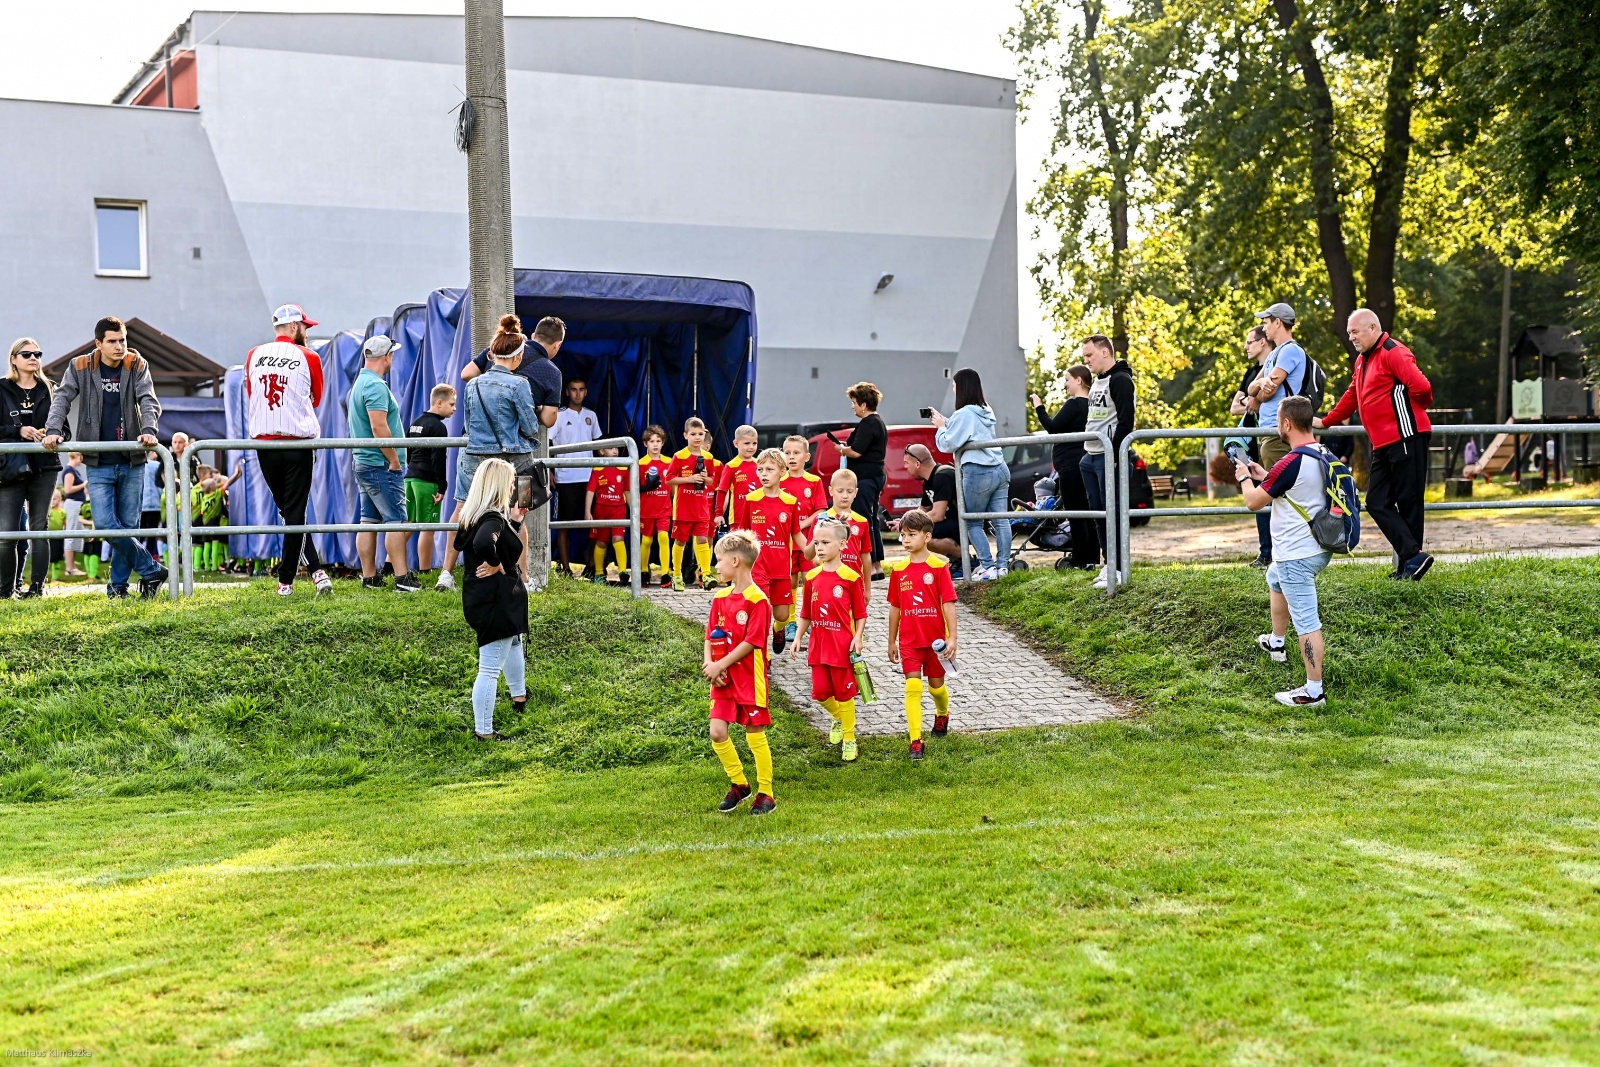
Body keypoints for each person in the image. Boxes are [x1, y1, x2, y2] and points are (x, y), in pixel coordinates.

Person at [41, 316, 169, 599]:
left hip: (133, 459)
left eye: (122, 339)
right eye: (112, 341)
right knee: (105, 524)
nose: (119, 346)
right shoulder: (81, 366)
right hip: (98, 461)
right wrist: (52, 430)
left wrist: (149, 430)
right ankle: (152, 569)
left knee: (128, 528)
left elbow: (148, 400)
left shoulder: (136, 364)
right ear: (98, 343)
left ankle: (118, 588)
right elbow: (62, 398)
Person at [1316, 308, 1435, 580]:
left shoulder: (1393, 352)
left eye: (1355, 332)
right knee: (1377, 502)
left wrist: (1418, 408)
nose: (1351, 338)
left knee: (1409, 504)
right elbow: (1352, 394)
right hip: (1382, 443)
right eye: (1349, 333)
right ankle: (1413, 557)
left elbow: (1423, 387)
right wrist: (1327, 422)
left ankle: (1409, 566)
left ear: (1372, 328)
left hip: (1407, 437)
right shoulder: (1362, 360)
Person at [441, 314, 554, 591]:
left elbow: (468, 423)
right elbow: (530, 425)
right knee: (519, 512)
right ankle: (523, 577)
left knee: (464, 511)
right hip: (514, 460)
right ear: (517, 357)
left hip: (474, 457)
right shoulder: (520, 385)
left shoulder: (473, 384)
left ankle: (447, 573)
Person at [1234, 396, 1332, 708]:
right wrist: (1265, 477)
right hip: (1319, 546)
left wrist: (1245, 479)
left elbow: (1253, 502)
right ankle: (1276, 642)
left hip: (1296, 554)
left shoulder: (1291, 462)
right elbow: (1295, 489)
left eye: (1277, 420)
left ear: (1286, 424)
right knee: (1274, 576)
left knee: (1307, 622)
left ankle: (1313, 691)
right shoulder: (1322, 454)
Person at [245, 304, 335, 597]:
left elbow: (253, 394)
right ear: (295, 327)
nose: (307, 333)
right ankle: (287, 582)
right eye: (305, 327)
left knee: (289, 512)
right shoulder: (309, 356)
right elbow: (317, 398)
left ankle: (318, 572)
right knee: (295, 513)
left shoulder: (254, 354)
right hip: (298, 442)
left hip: (264, 443)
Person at [452, 457, 529, 742]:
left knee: (512, 645)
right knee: (490, 667)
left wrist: (515, 522)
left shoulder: (478, 515)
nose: (513, 488)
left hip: (487, 598)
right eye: (510, 483)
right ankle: (483, 731)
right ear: (499, 486)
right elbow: (485, 542)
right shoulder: (492, 519)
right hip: (495, 600)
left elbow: (488, 538)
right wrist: (498, 564)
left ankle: (519, 696)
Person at [702, 529, 776, 816]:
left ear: (735, 561)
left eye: (718, 560)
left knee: (754, 734)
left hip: (749, 679)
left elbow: (752, 642)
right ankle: (739, 784)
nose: (715, 566)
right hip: (722, 679)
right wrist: (711, 664)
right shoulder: (720, 597)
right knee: (717, 732)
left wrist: (722, 664)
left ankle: (766, 792)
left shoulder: (758, 600)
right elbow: (710, 635)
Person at [791, 515, 868, 763]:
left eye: (825, 543)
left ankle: (849, 738)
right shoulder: (812, 577)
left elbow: (860, 613)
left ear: (842, 545)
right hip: (818, 644)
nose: (820, 548)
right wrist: (798, 637)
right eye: (817, 543)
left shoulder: (850, 577)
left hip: (841, 645)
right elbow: (805, 613)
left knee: (845, 694)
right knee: (822, 693)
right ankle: (837, 718)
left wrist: (858, 636)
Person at [885, 509, 959, 759]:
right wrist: (891, 640)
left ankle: (942, 714)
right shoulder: (898, 570)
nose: (906, 540)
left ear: (927, 537)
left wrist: (952, 638)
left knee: (936, 688)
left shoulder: (939, 567)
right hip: (909, 642)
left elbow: (948, 603)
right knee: (913, 687)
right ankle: (915, 740)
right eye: (903, 535)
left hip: (935, 642)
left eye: (911, 535)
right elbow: (895, 607)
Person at [348, 334, 418, 592]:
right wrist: (394, 461)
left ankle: (369, 578)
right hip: (382, 464)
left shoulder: (360, 383)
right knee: (396, 520)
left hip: (364, 462)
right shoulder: (376, 386)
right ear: (386, 357)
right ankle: (402, 579)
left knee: (368, 521)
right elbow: (379, 427)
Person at [931, 368, 1010, 581]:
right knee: (1001, 520)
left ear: (962, 388)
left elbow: (948, 444)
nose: (954, 390)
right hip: (1000, 467)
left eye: (955, 386)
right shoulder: (985, 409)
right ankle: (1003, 566)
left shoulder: (964, 413)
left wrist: (940, 428)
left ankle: (987, 566)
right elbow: (969, 429)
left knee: (972, 521)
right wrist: (947, 422)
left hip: (978, 469)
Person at [2, 338, 60, 599]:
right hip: (9, 466)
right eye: (27, 354)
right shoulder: (1, 388)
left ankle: (37, 588)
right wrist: (18, 430)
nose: (33, 358)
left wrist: (53, 434)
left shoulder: (51, 390)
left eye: (37, 353)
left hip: (45, 465)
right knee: (7, 533)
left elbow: (64, 429)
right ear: (14, 358)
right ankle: (5, 592)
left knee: (39, 527)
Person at [731, 448, 803, 654]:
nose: (763, 473)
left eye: (769, 469)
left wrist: (813, 550)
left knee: (781, 615)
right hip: (757, 567)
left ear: (782, 471)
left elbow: (796, 533)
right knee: (761, 611)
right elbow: (742, 534)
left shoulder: (790, 502)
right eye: (760, 469)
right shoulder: (751, 500)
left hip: (781, 568)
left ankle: (778, 630)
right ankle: (763, 658)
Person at [1079, 335, 1135, 590]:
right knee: (1099, 515)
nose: (1086, 360)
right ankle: (1109, 563)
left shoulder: (1121, 380)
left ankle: (1121, 568)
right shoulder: (1098, 382)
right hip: (1089, 456)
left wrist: (1112, 453)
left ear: (1105, 352)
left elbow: (1126, 422)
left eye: (1090, 355)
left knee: (1113, 513)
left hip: (1107, 456)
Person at [1031, 363, 1098, 569]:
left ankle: (1079, 559)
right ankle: (1092, 557)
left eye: (1068, 380)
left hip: (1070, 466)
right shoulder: (1093, 406)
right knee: (1088, 512)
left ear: (1079, 380)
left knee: (1075, 512)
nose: (1066, 385)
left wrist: (1038, 407)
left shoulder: (1074, 404)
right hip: (1085, 462)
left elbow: (1053, 428)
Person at [1229, 325, 1275, 567]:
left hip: (1272, 440)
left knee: (1275, 494)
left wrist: (1256, 399)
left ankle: (1280, 551)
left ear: (1263, 342)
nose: (1246, 347)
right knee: (1259, 495)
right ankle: (1265, 552)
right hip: (1253, 444)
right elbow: (1235, 407)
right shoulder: (1250, 372)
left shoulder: (1277, 368)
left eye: (1250, 342)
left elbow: (1271, 400)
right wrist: (1252, 398)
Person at [548, 376, 604, 577]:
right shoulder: (559, 415)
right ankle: (565, 568)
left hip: (590, 478)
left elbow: (599, 447)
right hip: (566, 477)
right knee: (565, 524)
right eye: (573, 389)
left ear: (586, 392)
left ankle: (592, 566)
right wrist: (550, 470)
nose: (577, 393)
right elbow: (549, 444)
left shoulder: (591, 415)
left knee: (595, 524)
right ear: (567, 392)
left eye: (581, 389)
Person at [833, 382, 887, 578]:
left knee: (863, 521)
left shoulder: (868, 423)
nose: (853, 406)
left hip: (865, 478)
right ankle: (877, 565)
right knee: (872, 519)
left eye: (854, 402)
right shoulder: (878, 422)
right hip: (875, 476)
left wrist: (841, 449)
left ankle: (870, 566)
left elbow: (856, 451)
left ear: (864, 404)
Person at [406, 383, 457, 577]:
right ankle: (425, 570)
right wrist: (442, 486)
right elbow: (438, 459)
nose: (454, 409)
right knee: (428, 527)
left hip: (410, 478)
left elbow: (408, 451)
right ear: (439, 402)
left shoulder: (416, 422)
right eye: (451, 404)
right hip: (427, 481)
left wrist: (412, 469)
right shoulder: (438, 427)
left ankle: (389, 565)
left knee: (409, 523)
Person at [780, 433, 826, 644]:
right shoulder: (779, 481)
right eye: (787, 452)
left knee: (811, 581)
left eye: (796, 453)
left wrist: (802, 524)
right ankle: (790, 622)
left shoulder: (814, 481)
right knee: (789, 582)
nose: (791, 456)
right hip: (785, 544)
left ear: (806, 457)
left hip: (808, 542)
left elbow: (820, 511)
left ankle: (811, 620)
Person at [666, 416, 721, 591]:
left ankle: (705, 574)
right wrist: (690, 478)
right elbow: (669, 479)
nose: (698, 437)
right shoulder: (679, 456)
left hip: (701, 508)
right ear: (685, 435)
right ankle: (676, 575)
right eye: (693, 434)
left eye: (700, 434)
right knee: (681, 541)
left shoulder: (709, 457)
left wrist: (705, 479)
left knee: (703, 539)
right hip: (683, 509)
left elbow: (713, 481)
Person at [899, 444, 962, 566]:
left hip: (965, 523)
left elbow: (937, 515)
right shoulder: (928, 480)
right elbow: (923, 509)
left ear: (917, 464)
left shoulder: (943, 476)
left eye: (907, 463)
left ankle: (966, 561)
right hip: (952, 522)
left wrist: (911, 525)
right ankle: (958, 560)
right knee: (915, 532)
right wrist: (903, 521)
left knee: (921, 535)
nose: (905, 466)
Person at [584, 444, 629, 584]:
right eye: (611, 448)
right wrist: (587, 511)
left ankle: (623, 572)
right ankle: (599, 574)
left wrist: (633, 510)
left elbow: (627, 491)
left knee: (618, 539)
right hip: (601, 511)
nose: (615, 450)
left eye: (617, 448)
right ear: (601, 451)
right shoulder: (597, 469)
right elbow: (590, 491)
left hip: (619, 509)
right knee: (601, 542)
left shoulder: (624, 467)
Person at [638, 425, 673, 587]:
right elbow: (633, 487)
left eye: (658, 441)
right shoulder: (640, 463)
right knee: (646, 541)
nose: (655, 444)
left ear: (663, 443)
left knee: (664, 537)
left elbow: (673, 486)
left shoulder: (669, 462)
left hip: (664, 509)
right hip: (646, 510)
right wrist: (646, 488)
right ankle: (644, 571)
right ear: (646, 443)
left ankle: (665, 573)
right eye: (652, 441)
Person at [716, 425, 762, 527]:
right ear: (736, 443)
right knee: (740, 543)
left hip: (760, 517)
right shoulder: (731, 466)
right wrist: (719, 514)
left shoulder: (761, 465)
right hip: (738, 518)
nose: (751, 447)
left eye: (754, 443)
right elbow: (722, 490)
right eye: (747, 443)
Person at [59, 452, 88, 577]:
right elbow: (68, 490)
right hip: (72, 505)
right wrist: (84, 484)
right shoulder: (69, 471)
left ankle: (72, 566)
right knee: (70, 533)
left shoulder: (74, 471)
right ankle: (69, 568)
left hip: (77, 504)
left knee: (76, 534)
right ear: (76, 456)